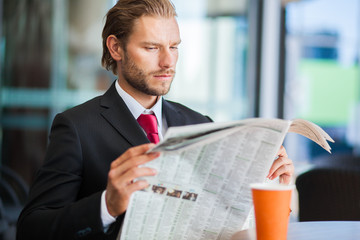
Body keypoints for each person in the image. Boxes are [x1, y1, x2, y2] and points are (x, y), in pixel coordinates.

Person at [16, 0, 294, 239]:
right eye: (151, 48)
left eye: (174, 47)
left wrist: (273, 188)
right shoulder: (77, 127)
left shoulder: (202, 124)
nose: (167, 62)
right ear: (116, 48)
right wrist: (106, 206)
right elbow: (31, 230)